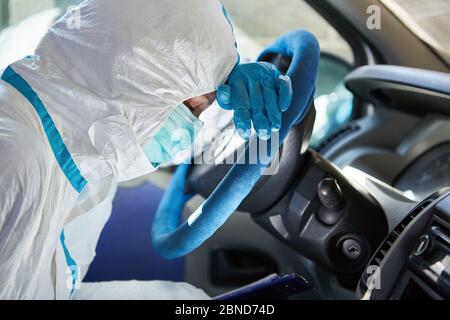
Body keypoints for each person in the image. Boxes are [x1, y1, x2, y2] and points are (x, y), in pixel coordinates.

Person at [0, 0, 292, 299]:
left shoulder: (88, 132)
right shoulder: (13, 159)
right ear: (136, 80)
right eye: (193, 110)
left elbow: (168, 124)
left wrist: (231, 94)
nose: (191, 128)